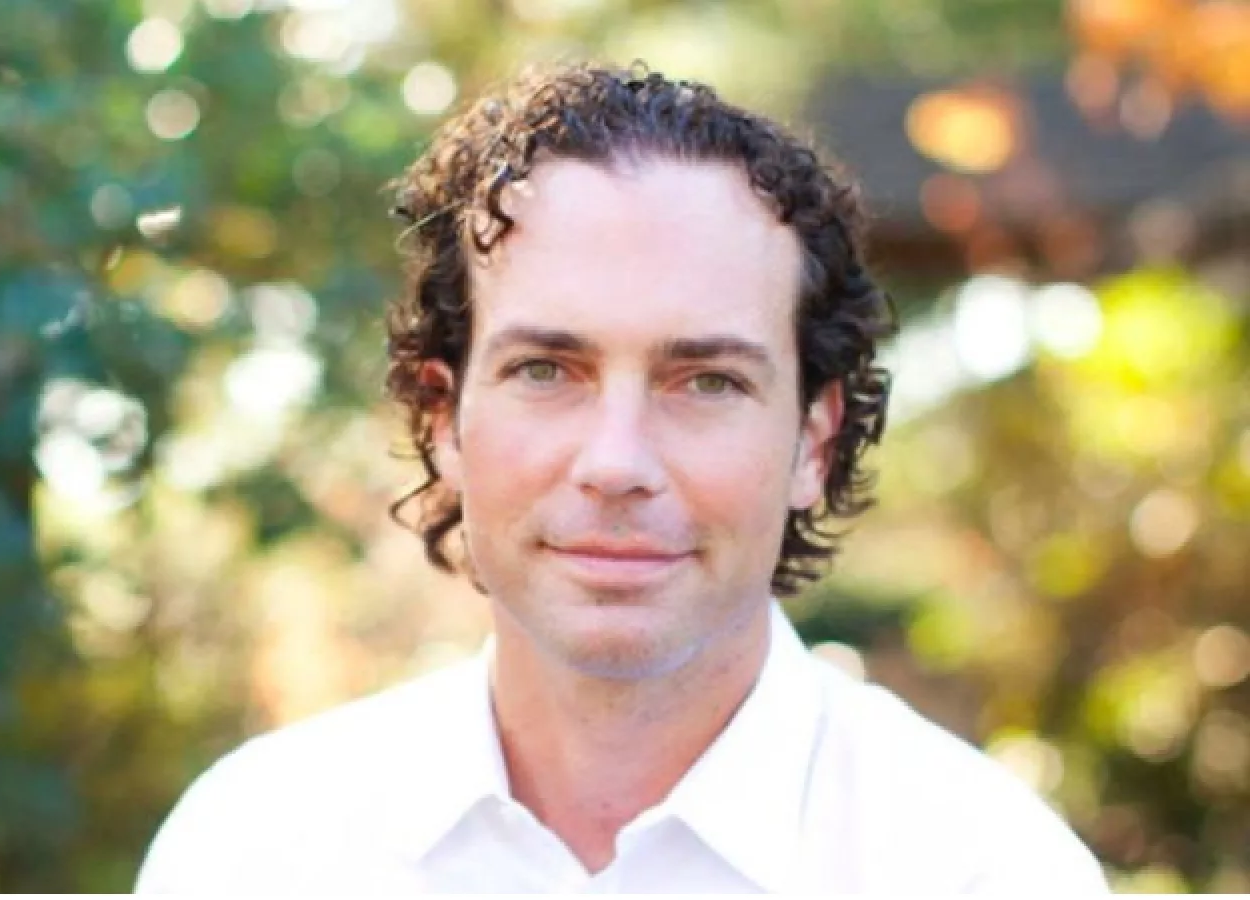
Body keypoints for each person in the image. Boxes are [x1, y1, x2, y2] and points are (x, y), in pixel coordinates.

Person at [135, 61, 1108, 893]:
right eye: (545, 371)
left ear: (814, 442)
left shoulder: (987, 871)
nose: (616, 463)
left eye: (708, 381)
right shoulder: (253, 851)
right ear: (441, 419)